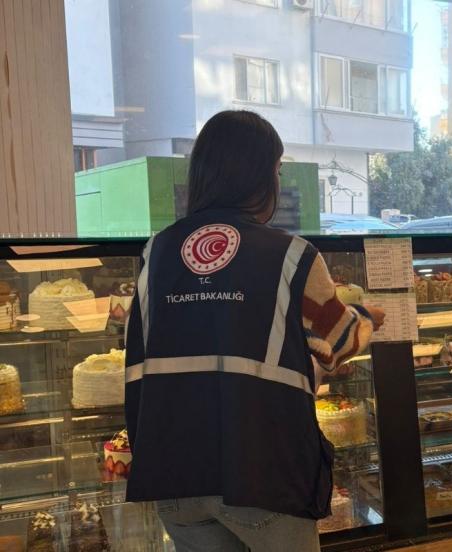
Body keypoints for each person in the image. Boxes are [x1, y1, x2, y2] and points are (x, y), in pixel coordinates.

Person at [124, 110, 384, 552]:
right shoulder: (290, 255)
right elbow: (338, 342)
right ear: (260, 175)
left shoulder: (158, 251)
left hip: (173, 471)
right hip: (263, 471)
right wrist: (368, 317)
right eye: (277, 169)